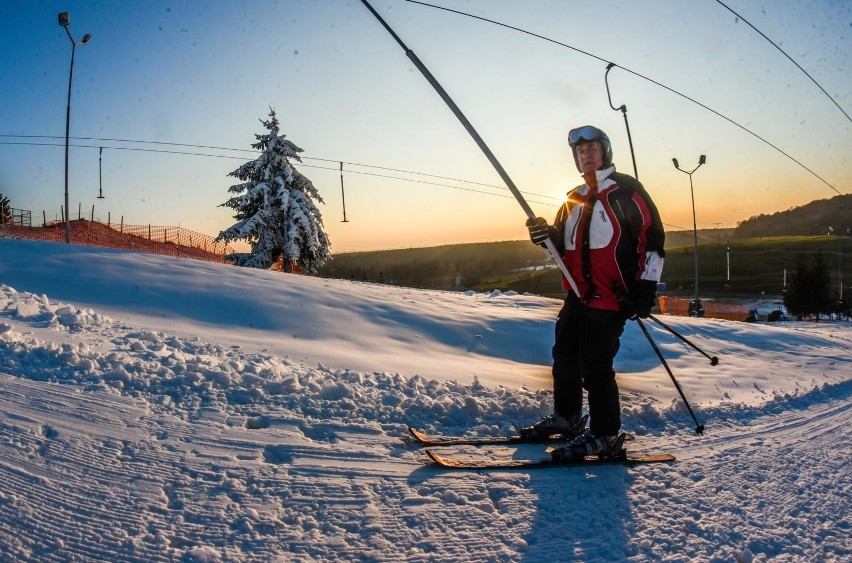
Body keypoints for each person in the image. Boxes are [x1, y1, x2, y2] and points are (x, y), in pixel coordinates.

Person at [521, 125, 665, 459]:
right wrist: (544, 236)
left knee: (596, 366)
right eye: (580, 151)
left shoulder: (626, 192)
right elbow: (561, 250)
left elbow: (652, 244)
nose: (586, 155)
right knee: (565, 355)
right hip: (578, 293)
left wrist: (646, 289)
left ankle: (606, 435)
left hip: (612, 295)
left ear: (606, 152)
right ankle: (569, 417)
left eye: (592, 149)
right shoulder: (572, 199)